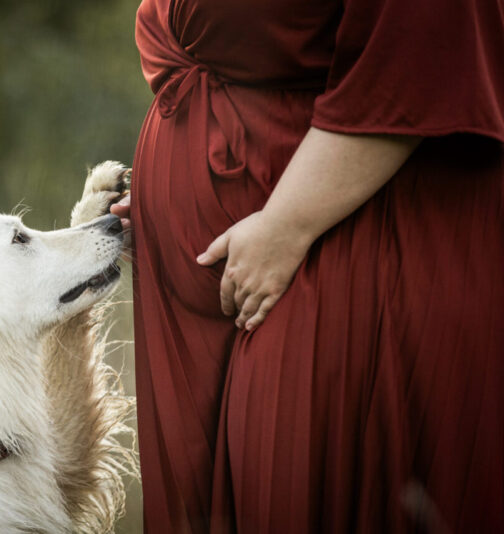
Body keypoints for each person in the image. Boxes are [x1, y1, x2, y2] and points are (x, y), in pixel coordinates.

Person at [110, 0, 504, 532]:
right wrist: (176, 190)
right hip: (267, 248)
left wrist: (286, 224)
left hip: (343, 245)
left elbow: (413, 61)